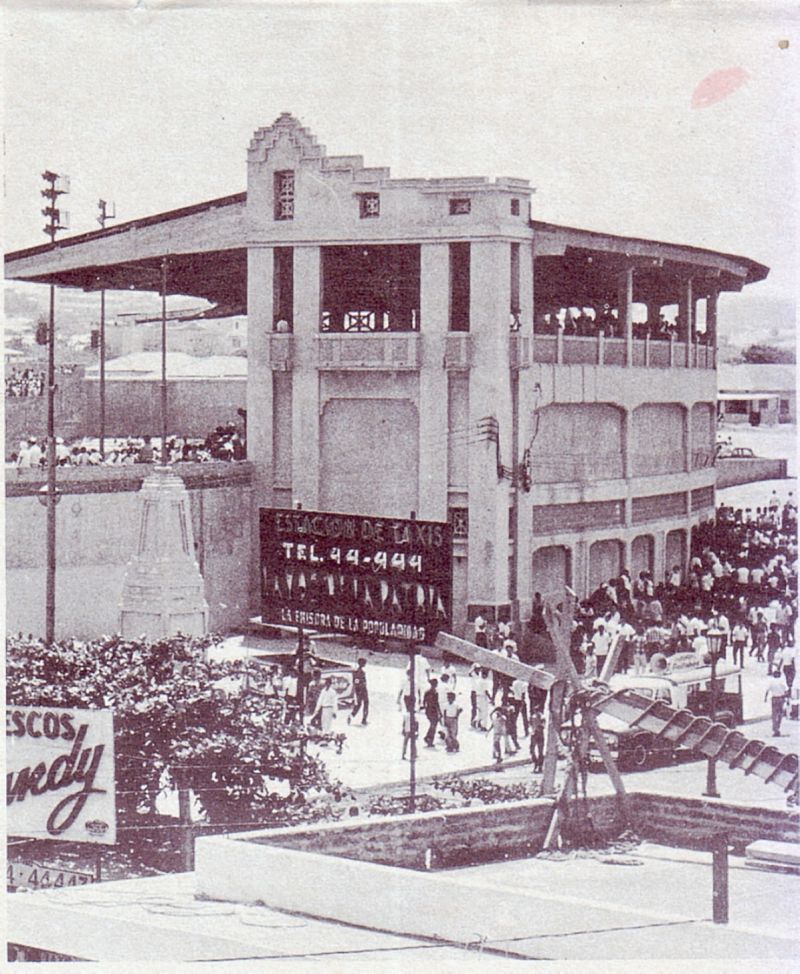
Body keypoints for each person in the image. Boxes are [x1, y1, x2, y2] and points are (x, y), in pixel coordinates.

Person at [765, 669, 788, 737]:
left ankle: (775, 729)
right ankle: (778, 726)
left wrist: (765, 698)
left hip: (774, 699)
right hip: (781, 698)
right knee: (780, 714)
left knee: (774, 714)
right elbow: (786, 690)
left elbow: (767, 690)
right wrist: (787, 698)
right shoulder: (782, 681)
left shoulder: (771, 682)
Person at [349, 657, 369, 725]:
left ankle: (352, 715)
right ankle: (364, 719)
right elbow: (357, 682)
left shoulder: (356, 672)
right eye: (364, 663)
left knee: (359, 704)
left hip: (360, 690)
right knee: (365, 703)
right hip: (362, 690)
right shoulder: (360, 672)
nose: (365, 664)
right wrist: (361, 687)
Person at [422, 678, 441, 747]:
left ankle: (428, 738)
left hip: (429, 710)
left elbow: (424, 702)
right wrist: (439, 712)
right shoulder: (435, 693)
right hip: (432, 710)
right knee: (433, 725)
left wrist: (424, 707)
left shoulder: (427, 692)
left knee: (433, 725)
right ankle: (429, 739)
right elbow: (436, 703)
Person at [529, 708, 545, 773]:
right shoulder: (534, 717)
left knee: (538, 751)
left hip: (538, 734)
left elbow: (543, 726)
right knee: (533, 750)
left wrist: (536, 729)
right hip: (535, 734)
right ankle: (537, 763)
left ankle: (539, 765)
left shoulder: (541, 717)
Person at [401, 694, 416, 760]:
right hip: (409, 727)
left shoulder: (407, 714)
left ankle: (405, 753)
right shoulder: (409, 714)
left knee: (408, 741)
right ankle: (406, 753)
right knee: (411, 741)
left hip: (409, 727)